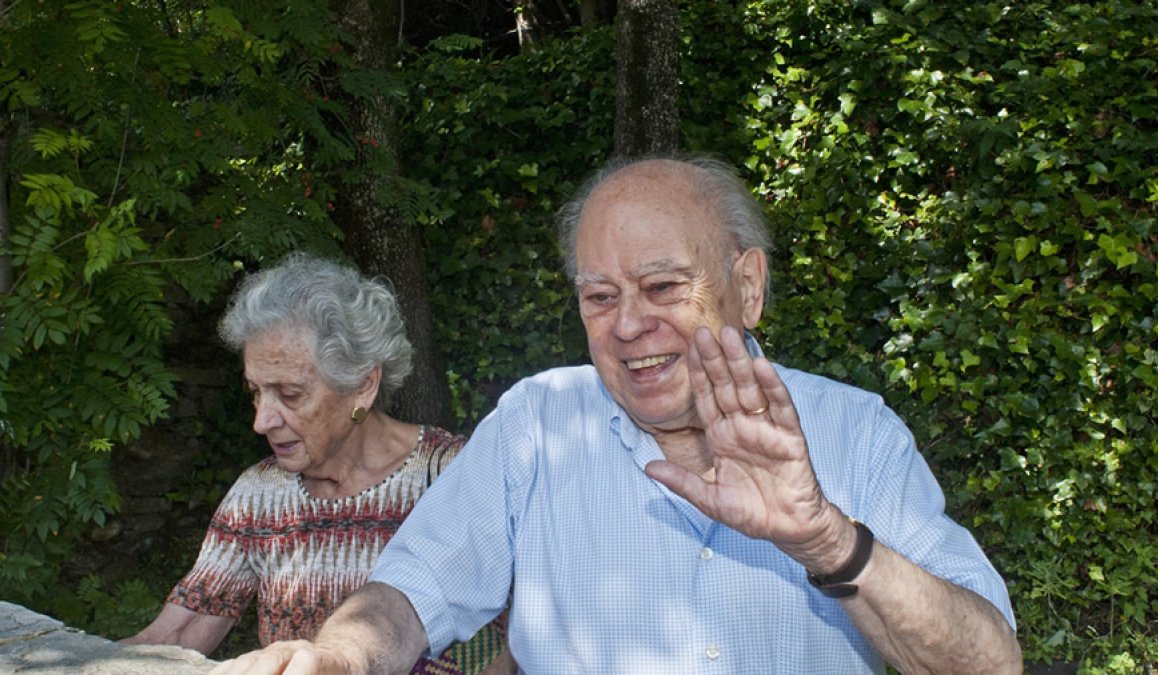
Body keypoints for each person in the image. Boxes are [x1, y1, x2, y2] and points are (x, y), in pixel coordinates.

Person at [212, 156, 1023, 674]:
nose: (629, 323)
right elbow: (409, 591)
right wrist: (342, 657)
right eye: (600, 296)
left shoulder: (858, 432)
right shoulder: (536, 422)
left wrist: (825, 540)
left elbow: (990, 663)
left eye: (665, 287)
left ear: (748, 284)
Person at [123, 253, 511, 674]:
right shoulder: (259, 496)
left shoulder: (453, 476)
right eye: (255, 390)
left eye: (289, 394)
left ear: (363, 384)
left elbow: (528, 635)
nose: (261, 421)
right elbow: (177, 634)